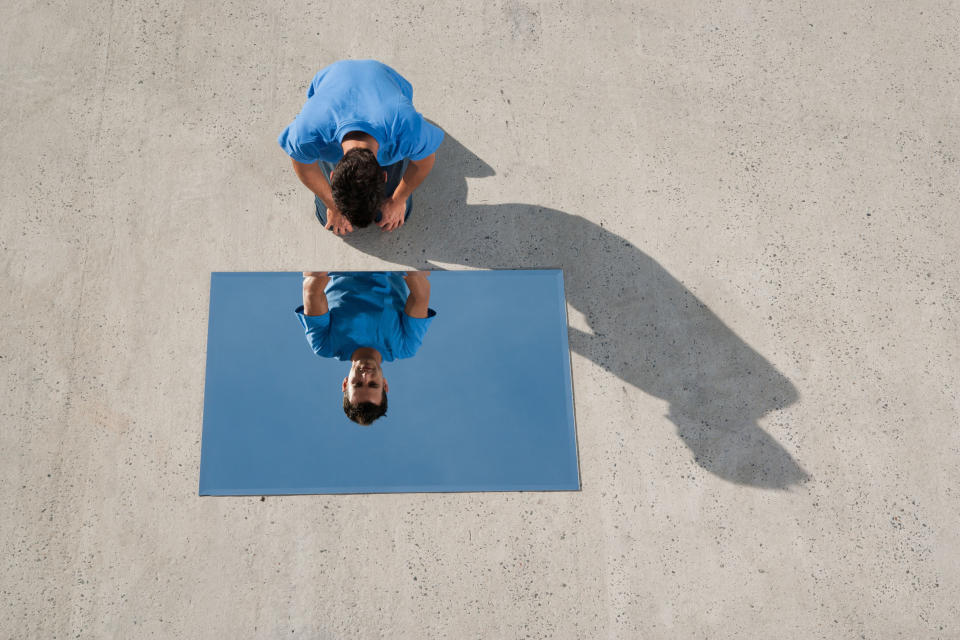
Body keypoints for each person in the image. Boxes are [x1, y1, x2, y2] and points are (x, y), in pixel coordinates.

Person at [278, 60, 444, 235]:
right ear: (384, 175)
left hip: (383, 79)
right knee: (327, 215)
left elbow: (425, 162)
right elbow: (302, 166)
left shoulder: (406, 128)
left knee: (397, 211)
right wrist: (332, 207)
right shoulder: (308, 132)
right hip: (334, 78)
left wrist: (398, 200)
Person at [296, 271, 435, 425]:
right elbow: (420, 296)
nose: (366, 376)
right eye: (373, 384)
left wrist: (322, 269)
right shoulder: (405, 345)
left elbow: (312, 292)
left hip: (342, 262)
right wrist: (411, 268)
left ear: (345, 383)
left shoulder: (325, 344)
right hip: (390, 259)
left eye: (358, 384)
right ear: (384, 384)